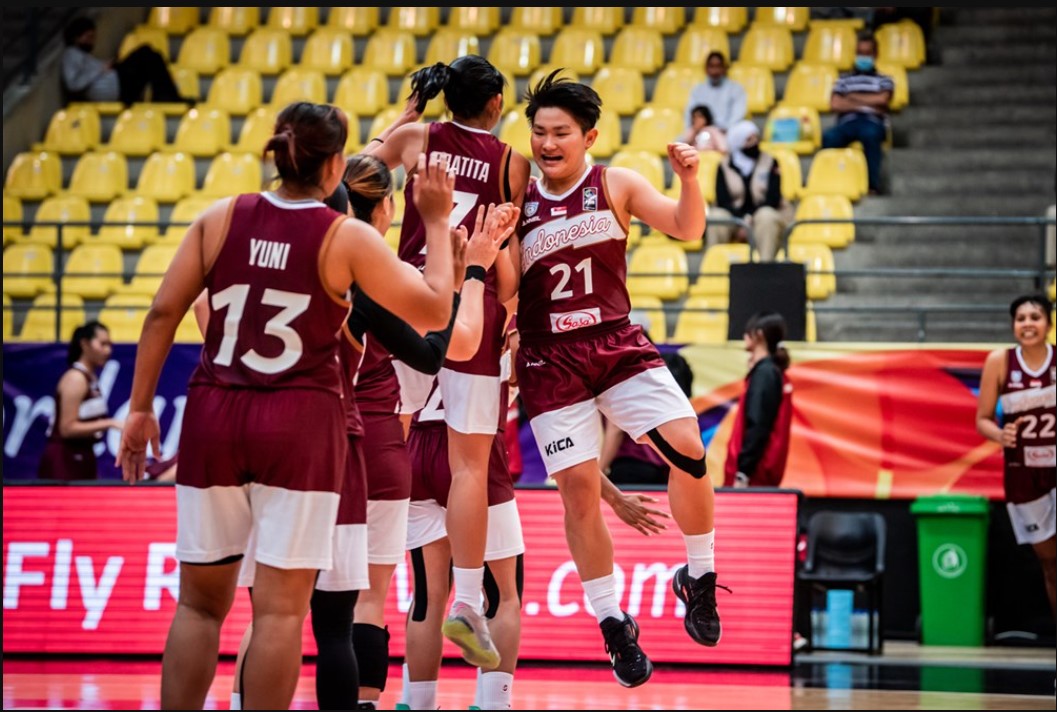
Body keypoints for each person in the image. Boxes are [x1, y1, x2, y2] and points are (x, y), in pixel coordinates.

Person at [115, 101, 457, 710]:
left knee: (198, 605)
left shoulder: (222, 216)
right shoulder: (344, 235)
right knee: (279, 612)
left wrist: (140, 407)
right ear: (333, 170)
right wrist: (433, 221)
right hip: (299, 421)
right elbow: (433, 313)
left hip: (215, 413)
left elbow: (162, 313)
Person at [511, 70, 725, 689]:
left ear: (589, 136)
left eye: (561, 133)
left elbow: (688, 228)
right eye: (539, 132)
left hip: (615, 341)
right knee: (578, 491)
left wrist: (688, 179)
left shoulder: (616, 183)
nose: (548, 143)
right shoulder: (517, 199)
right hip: (549, 359)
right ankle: (612, 622)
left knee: (688, 447)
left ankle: (699, 576)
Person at [364, 54, 532, 669]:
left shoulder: (417, 138)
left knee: (395, 432)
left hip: (411, 289)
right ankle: (468, 601)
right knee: (470, 463)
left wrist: (398, 121)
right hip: (474, 300)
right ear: (495, 104)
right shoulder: (514, 161)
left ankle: (365, 600)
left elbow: (352, 180)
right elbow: (511, 272)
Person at [975, 294, 1056, 621]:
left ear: (1048, 324)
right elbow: (982, 419)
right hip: (1024, 473)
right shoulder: (999, 361)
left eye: (1034, 317)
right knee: (1050, 563)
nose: (1027, 324)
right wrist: (1001, 435)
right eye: (1021, 319)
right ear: (1013, 326)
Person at [600, 316, 695, 488]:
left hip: (630, 465)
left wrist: (597, 473)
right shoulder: (658, 373)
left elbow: (615, 430)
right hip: (665, 466)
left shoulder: (623, 374)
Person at [37, 320, 122, 481]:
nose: (107, 350)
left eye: (109, 345)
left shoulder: (91, 378)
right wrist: (111, 423)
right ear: (84, 344)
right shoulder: (75, 378)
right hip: (64, 460)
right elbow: (67, 428)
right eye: (102, 344)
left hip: (84, 455)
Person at [723, 311, 794, 488]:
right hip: (758, 473)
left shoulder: (765, 374)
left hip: (754, 476)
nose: (744, 336)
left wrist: (743, 473)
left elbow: (758, 424)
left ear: (759, 334)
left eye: (748, 331)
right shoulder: (770, 371)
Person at [707, 119, 794, 262]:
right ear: (737, 142)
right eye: (749, 139)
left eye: (756, 138)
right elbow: (722, 200)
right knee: (716, 217)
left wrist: (749, 220)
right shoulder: (723, 166)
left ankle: (765, 269)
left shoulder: (771, 161)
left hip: (762, 216)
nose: (755, 143)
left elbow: (773, 198)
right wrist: (741, 222)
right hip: (734, 217)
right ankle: (714, 270)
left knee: (766, 216)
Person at [821, 31, 894, 195]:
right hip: (847, 123)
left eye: (867, 53)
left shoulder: (885, 79)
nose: (863, 57)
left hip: (872, 123)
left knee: (870, 135)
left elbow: (883, 100)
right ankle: (829, 183)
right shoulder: (843, 79)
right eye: (860, 53)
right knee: (829, 137)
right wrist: (869, 102)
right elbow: (835, 103)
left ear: (876, 55)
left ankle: (871, 186)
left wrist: (851, 97)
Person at [61, 16, 192, 106]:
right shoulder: (71, 54)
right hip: (117, 87)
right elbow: (73, 84)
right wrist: (101, 69)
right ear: (76, 37)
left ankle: (165, 97)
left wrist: (106, 65)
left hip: (118, 84)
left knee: (152, 57)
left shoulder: (84, 56)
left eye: (93, 37)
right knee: (146, 53)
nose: (92, 41)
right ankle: (168, 98)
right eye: (88, 37)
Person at [683, 51, 747, 133]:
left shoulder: (736, 89)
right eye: (711, 66)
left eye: (718, 66)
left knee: (748, 128)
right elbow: (690, 114)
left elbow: (738, 115)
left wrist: (724, 129)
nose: (715, 71)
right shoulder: (698, 90)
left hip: (727, 132)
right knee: (680, 141)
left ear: (725, 68)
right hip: (701, 132)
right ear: (706, 69)